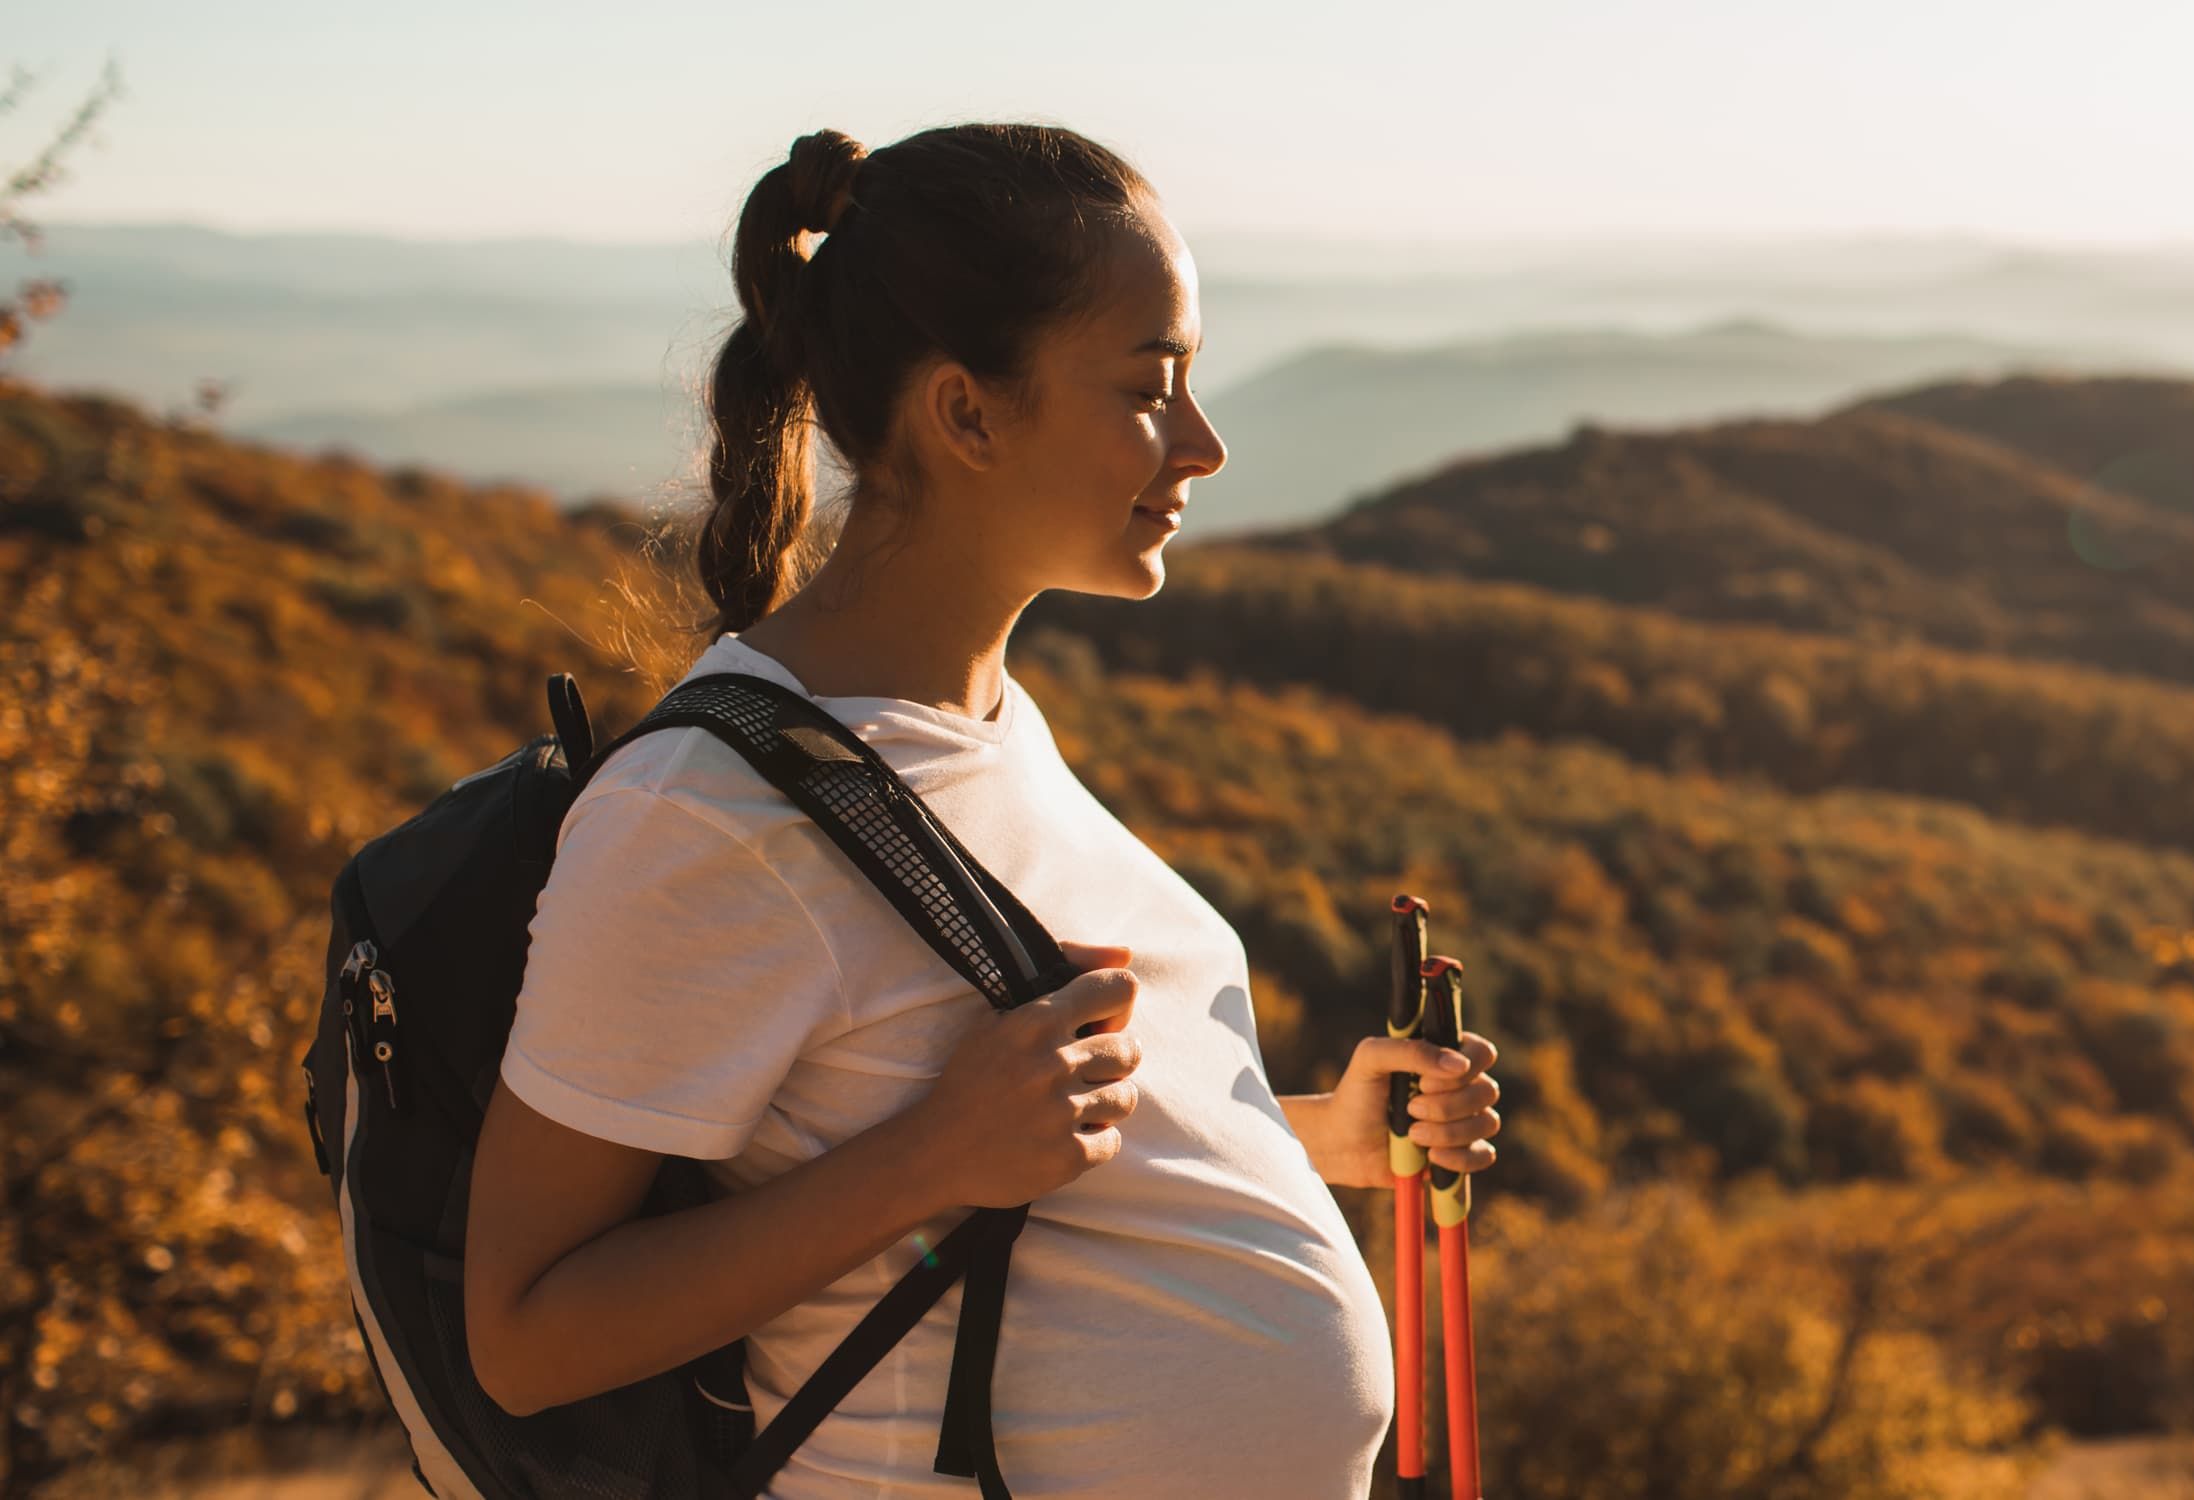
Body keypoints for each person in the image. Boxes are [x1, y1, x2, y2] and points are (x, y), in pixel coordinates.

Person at [460, 123, 1504, 1499]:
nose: (1204, 445)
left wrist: (1311, 1136)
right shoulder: (701, 816)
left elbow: (1026, 1131)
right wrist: (929, 1160)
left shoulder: (980, 722)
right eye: (1152, 389)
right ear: (965, 414)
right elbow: (527, 1334)